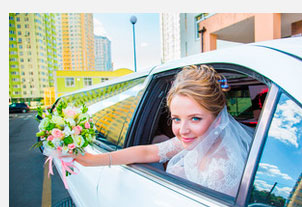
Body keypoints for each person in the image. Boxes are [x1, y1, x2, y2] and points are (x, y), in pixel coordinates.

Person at [74, 65, 254, 197]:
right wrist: (92, 160)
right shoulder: (200, 139)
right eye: (176, 119)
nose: (182, 130)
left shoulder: (221, 171)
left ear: (218, 121)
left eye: (195, 118)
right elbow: (148, 151)